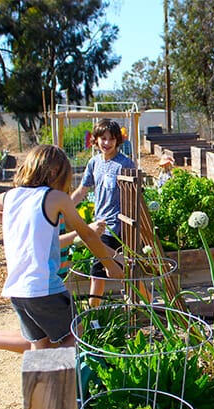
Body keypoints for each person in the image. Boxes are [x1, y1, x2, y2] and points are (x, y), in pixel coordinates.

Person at [0, 145, 123, 380]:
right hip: (44, 288)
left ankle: (40, 404)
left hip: (18, 291)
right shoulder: (55, 197)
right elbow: (87, 234)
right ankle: (61, 396)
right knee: (75, 333)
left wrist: (14, 215)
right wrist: (110, 265)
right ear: (55, 171)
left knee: (42, 347)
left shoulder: (10, 196)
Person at [71, 119, 136, 306]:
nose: (107, 143)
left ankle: (145, 310)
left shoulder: (125, 164)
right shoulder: (94, 163)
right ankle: (94, 316)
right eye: (103, 138)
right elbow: (82, 191)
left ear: (117, 141)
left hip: (120, 227)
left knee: (125, 273)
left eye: (111, 139)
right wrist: (64, 209)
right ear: (96, 140)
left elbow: (135, 198)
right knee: (98, 274)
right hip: (100, 228)